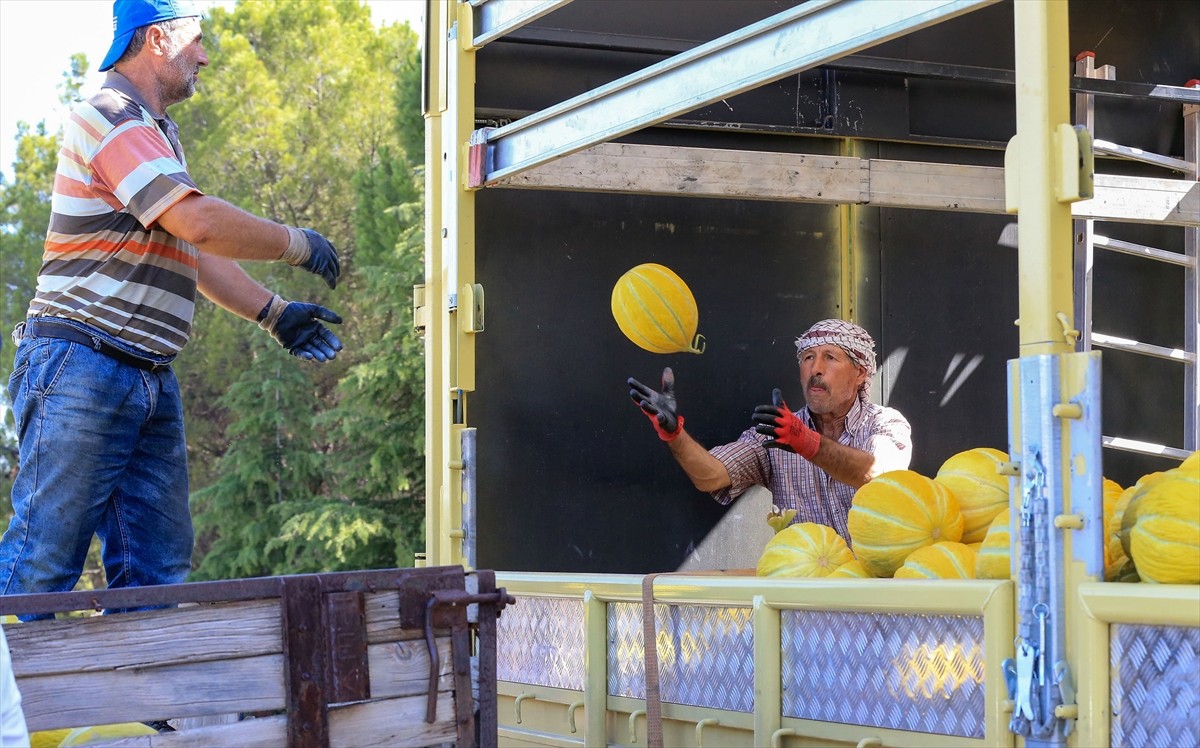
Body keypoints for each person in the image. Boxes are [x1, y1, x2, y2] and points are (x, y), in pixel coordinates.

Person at [0, 0, 345, 605]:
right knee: (39, 568)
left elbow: (191, 247)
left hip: (145, 374)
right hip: (81, 365)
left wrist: (274, 314)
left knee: (154, 580)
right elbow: (200, 223)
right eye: (197, 42)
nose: (206, 56)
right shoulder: (110, 115)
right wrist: (297, 243)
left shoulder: (157, 133)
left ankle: (145, 705)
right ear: (158, 39)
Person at [628, 319, 912, 544]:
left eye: (830, 358)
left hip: (876, 589)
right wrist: (673, 434)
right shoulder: (777, 432)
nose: (816, 369)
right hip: (804, 597)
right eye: (808, 358)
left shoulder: (884, 422)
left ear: (860, 372)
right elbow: (711, 476)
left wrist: (805, 441)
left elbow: (879, 475)